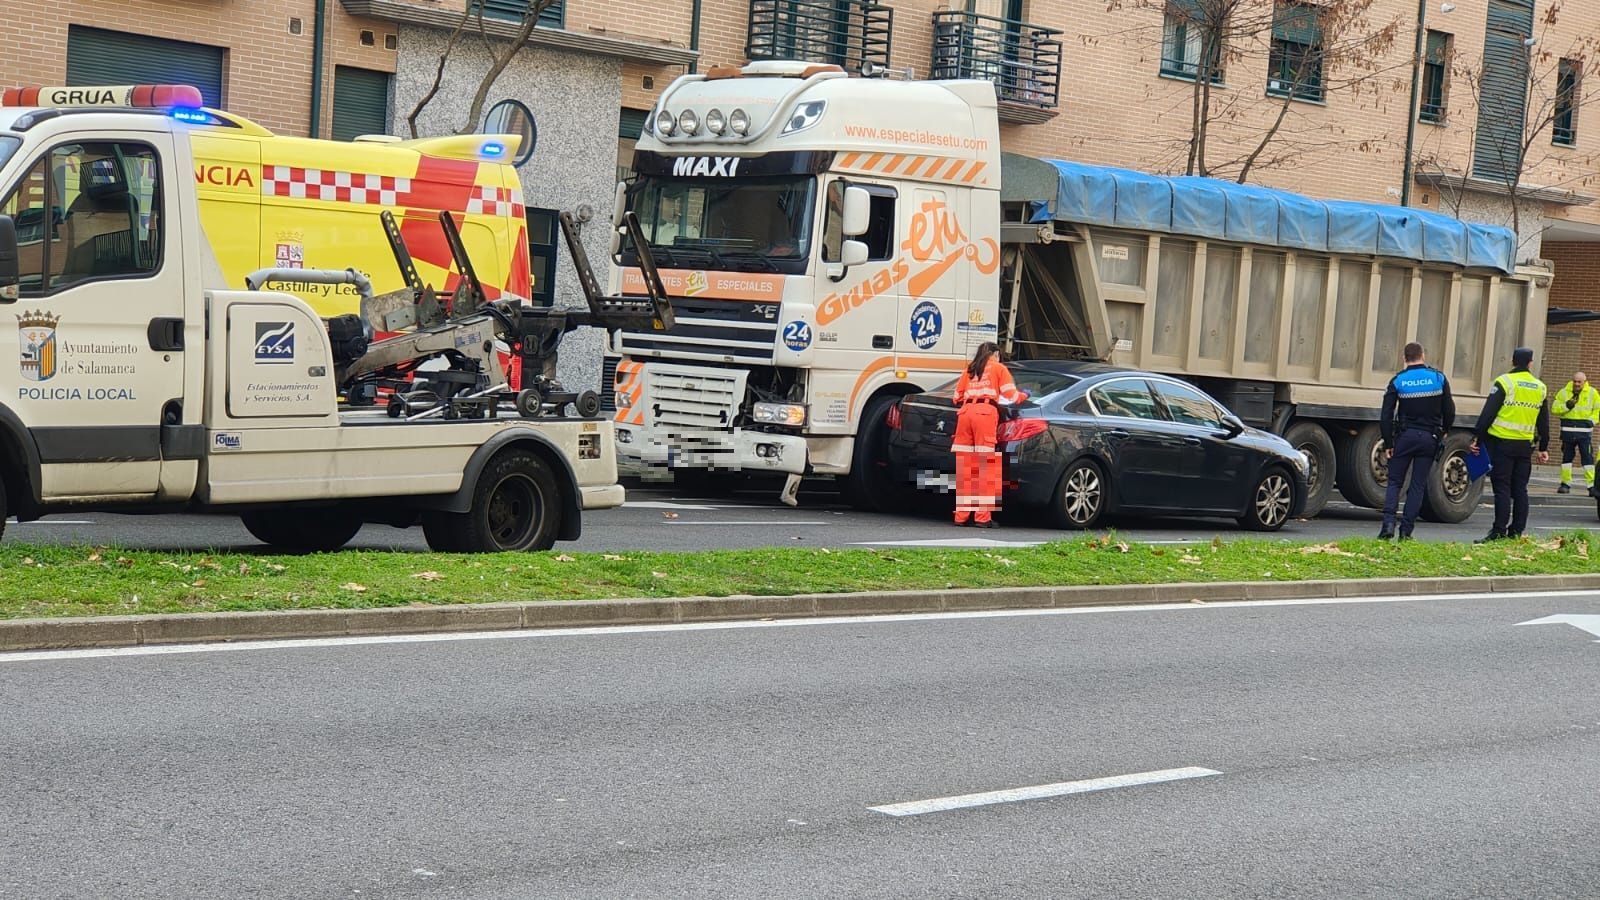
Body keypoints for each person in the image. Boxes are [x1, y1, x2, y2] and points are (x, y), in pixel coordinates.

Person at [1472, 347, 1550, 542]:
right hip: (1525, 446)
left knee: (1502, 488)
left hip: (1502, 444)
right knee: (1520, 489)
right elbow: (1544, 421)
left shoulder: (1504, 382)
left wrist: (1477, 438)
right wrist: (1543, 447)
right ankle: (1516, 531)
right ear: (1530, 363)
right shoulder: (1540, 387)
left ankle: (1498, 531)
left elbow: (1488, 414)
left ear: (1512, 361)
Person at [1378, 342, 1454, 540]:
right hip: (1429, 438)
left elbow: (1386, 415)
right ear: (1423, 355)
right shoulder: (1438, 378)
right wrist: (1445, 430)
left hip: (1405, 437)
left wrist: (1388, 443)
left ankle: (1388, 526)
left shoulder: (1398, 380)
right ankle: (1406, 531)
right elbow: (1449, 410)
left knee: (1395, 482)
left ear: (1404, 358)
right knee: (1418, 485)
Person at [952, 341, 1023, 528]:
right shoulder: (999, 368)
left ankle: (961, 517)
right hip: (984, 414)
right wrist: (1025, 395)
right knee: (985, 467)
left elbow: (956, 397)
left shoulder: (970, 369)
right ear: (996, 354)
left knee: (966, 468)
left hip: (965, 414)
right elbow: (1011, 395)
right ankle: (982, 518)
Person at [1551, 371, 1598, 495]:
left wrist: (1592, 422)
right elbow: (1554, 409)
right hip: (1568, 432)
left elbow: (1597, 410)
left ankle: (1591, 486)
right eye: (1575, 381)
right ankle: (1565, 484)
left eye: (1579, 382)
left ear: (1584, 382)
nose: (1576, 384)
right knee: (1567, 459)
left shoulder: (1592, 393)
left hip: (1584, 432)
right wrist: (1567, 406)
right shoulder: (1563, 392)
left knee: (1587, 459)